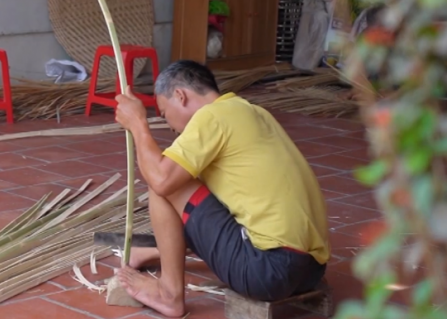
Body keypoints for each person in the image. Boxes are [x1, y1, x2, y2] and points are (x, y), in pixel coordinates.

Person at [111, 60, 329, 317]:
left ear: (180, 96)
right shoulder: (251, 112)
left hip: (268, 271)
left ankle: (169, 294)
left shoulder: (211, 117)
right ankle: (154, 252)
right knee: (196, 188)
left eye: (164, 114)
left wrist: (138, 124)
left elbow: (161, 179)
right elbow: (219, 210)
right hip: (310, 271)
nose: (169, 126)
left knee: (163, 185)